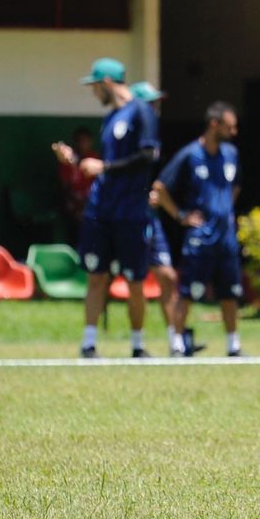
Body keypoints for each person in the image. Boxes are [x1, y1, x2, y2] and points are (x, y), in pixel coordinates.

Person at [71, 58, 161, 358]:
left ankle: (137, 345)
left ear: (108, 82)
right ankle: (88, 343)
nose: (94, 93)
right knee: (96, 276)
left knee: (135, 280)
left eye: (95, 86)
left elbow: (148, 156)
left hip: (131, 211)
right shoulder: (110, 119)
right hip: (102, 210)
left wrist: (104, 167)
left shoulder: (142, 112)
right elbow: (103, 168)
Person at [154, 101, 245, 357]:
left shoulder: (231, 154)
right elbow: (160, 188)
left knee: (230, 293)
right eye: (230, 126)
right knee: (188, 293)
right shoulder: (190, 154)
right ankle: (177, 345)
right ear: (214, 124)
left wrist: (223, 210)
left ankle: (233, 346)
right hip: (200, 238)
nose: (234, 132)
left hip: (226, 237)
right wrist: (181, 216)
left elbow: (235, 187)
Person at [129, 81, 205, 357]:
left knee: (168, 276)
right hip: (128, 219)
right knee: (129, 281)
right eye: (150, 103)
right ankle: (134, 344)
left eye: (156, 103)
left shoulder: (154, 136)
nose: (155, 108)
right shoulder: (127, 138)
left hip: (151, 219)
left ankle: (177, 342)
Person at [52, 126, 97, 243]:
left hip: (93, 204)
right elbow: (64, 187)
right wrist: (75, 206)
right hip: (73, 205)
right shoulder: (66, 162)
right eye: (80, 141)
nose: (83, 144)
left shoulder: (96, 160)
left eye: (86, 140)